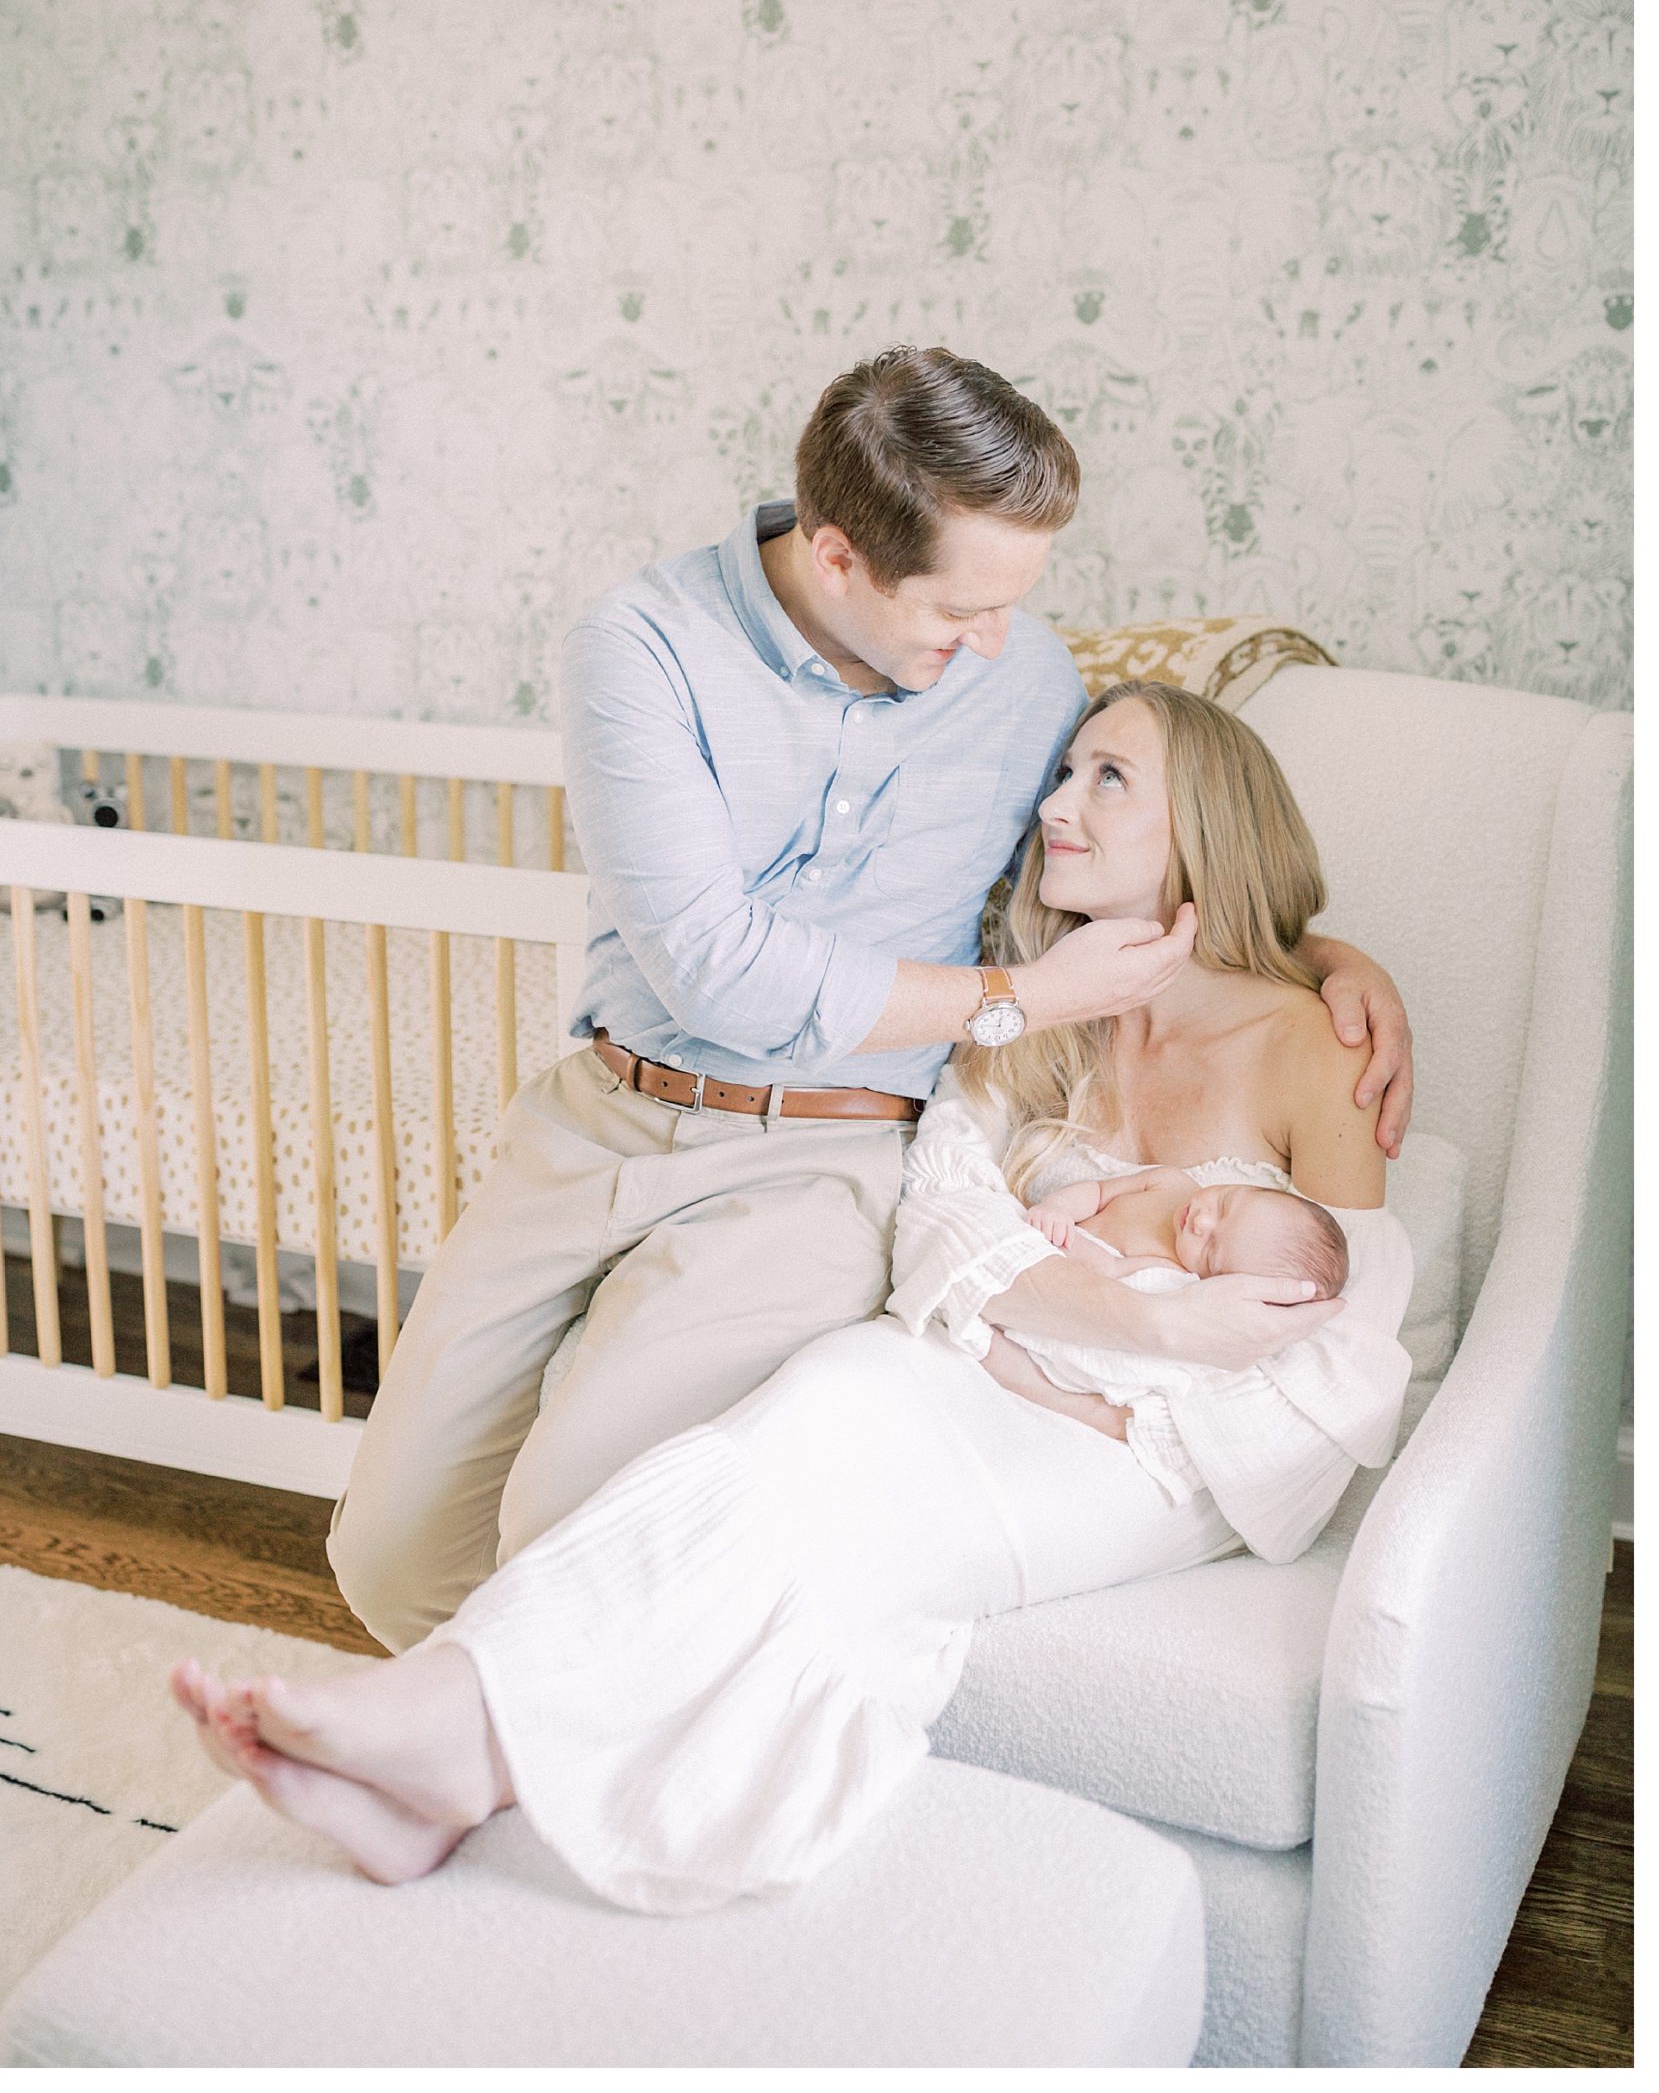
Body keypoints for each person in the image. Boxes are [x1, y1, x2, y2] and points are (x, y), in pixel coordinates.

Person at [172, 681, 1416, 1916]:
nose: (1054, 802)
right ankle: (453, 1743)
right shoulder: (1025, 1013)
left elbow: (1343, 1351)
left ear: (1199, 824)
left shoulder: (1308, 1045)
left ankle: (454, 1734)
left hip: (1145, 1449)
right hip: (982, 1367)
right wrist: (1132, 1318)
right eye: (1064, 768)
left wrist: (1094, 1360)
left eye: (1107, 778)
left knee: (836, 1521)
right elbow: (940, 1212)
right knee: (801, 1412)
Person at [329, 346, 1413, 1652]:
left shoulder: (1018, 684)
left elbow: (1146, 846)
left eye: (1015, 605)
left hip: (823, 1154)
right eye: (958, 614)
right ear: (837, 557)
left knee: (566, 1530)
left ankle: (497, 1780)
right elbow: (711, 964)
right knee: (387, 1559)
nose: (997, 646)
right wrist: (1009, 996)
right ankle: (514, 1760)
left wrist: (1318, 959)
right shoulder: (642, 648)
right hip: (602, 1117)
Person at [978, 1166, 1351, 1453]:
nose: (1201, 1221)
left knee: (1004, 1351)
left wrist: (1062, 1240)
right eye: (1226, 1204)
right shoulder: (1172, 1182)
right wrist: (1058, 1209)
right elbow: (1101, 1192)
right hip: (1054, 1222)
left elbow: (1107, 1270)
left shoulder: (1168, 1268)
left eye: (1211, 1248)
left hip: (1063, 1265)